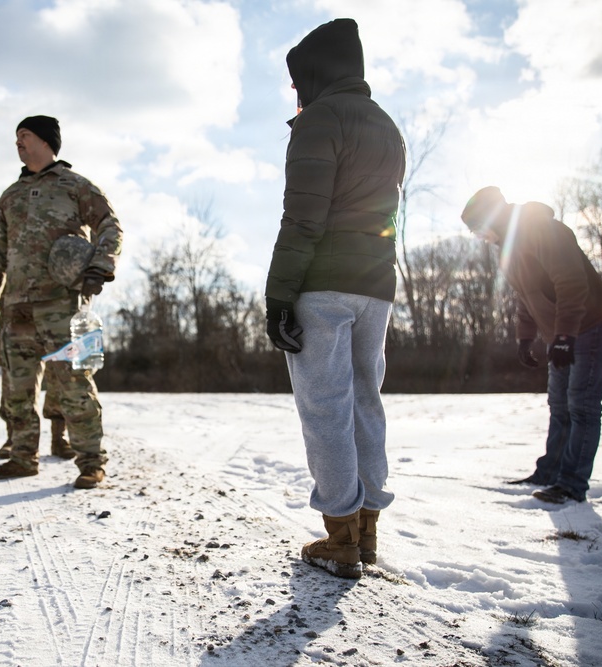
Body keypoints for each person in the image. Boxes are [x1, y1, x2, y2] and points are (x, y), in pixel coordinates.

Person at [264, 19, 406, 579]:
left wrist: (279, 295)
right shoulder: (386, 125)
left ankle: (340, 536)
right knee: (367, 400)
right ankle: (366, 527)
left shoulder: (319, 119)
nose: (297, 93)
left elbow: (302, 217)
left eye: (299, 81)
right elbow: (386, 214)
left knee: (326, 407)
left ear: (316, 72)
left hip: (322, 284)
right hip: (377, 285)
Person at [0, 115, 122, 489]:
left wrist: (100, 268)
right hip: (16, 307)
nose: (18, 143)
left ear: (45, 141)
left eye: (24, 136)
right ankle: (22, 457)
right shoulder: (10, 196)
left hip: (62, 304)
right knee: (17, 389)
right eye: (16, 138)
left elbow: (110, 224)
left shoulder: (75, 186)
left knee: (74, 385)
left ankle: (91, 461)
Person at [461, 186, 602, 505]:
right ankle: (549, 472)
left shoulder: (542, 229)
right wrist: (525, 337)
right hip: (562, 332)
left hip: (592, 323)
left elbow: (571, 283)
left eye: (478, 229)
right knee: (559, 405)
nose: (479, 238)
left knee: (582, 405)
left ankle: (572, 484)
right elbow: (527, 296)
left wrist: (564, 336)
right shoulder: (508, 251)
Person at [0, 228, 72, 459]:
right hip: (15, 312)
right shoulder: (0, 225)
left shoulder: (62, 211)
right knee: (14, 377)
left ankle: (59, 436)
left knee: (60, 374)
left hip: (58, 309)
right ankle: (15, 437)